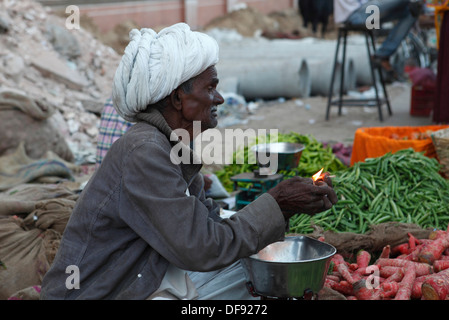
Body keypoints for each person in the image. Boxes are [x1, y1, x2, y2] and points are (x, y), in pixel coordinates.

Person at [40, 23, 338, 300]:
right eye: (210, 88)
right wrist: (277, 201)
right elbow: (202, 248)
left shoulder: (172, 146)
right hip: (103, 292)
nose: (219, 98)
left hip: (139, 275)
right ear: (178, 98)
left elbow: (210, 225)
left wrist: (282, 209)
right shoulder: (145, 152)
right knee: (255, 283)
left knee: (256, 270)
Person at [334, 0, 424, 78]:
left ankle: (383, 54)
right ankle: (383, 53)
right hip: (355, 14)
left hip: (368, 10)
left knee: (411, 12)